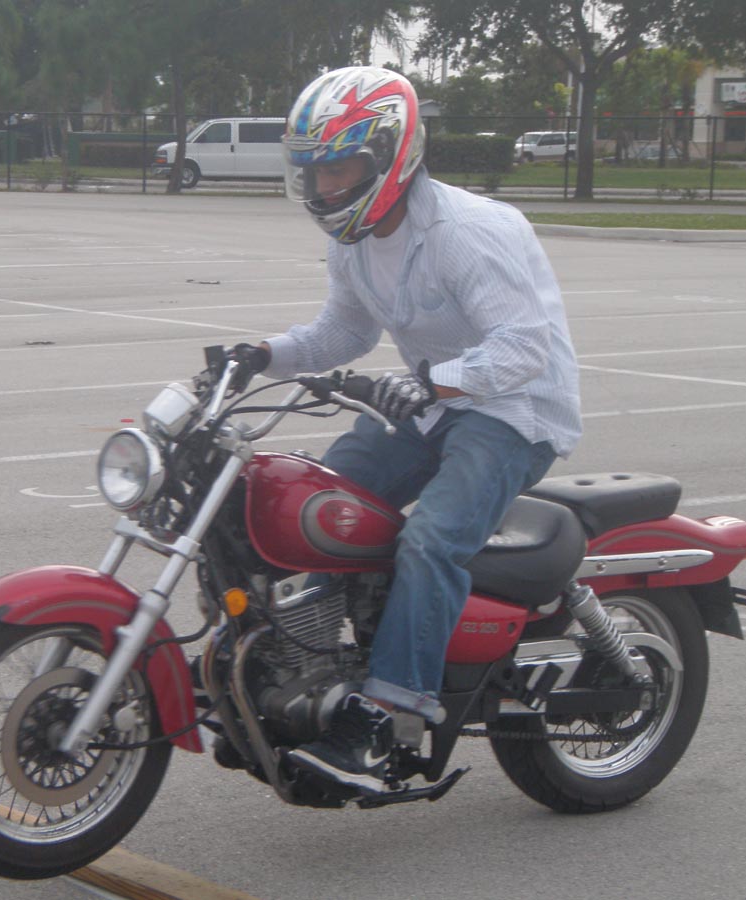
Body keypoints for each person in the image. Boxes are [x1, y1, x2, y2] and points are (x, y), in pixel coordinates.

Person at [231, 66, 582, 794]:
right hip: (431, 402)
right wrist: (262, 356)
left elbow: (524, 349)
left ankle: (389, 719)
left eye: (340, 167)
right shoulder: (355, 240)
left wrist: (432, 383)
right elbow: (343, 331)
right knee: (320, 505)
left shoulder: (468, 233)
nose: (325, 186)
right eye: (315, 171)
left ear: (392, 156)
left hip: (515, 411)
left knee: (432, 538)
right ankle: (314, 665)